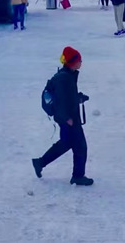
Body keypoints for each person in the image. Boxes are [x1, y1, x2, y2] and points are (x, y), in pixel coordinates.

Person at [32, 47, 93, 186]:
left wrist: (78, 98)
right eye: (79, 60)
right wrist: (66, 118)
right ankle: (78, 176)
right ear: (72, 62)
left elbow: (67, 96)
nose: (81, 63)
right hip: (68, 118)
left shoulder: (68, 75)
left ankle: (40, 162)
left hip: (69, 116)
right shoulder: (64, 78)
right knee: (80, 146)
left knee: (67, 143)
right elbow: (60, 101)